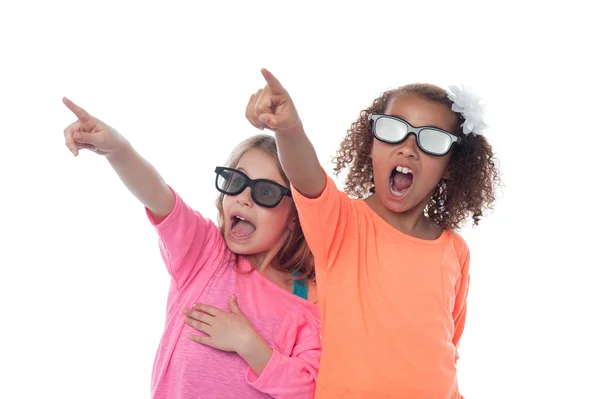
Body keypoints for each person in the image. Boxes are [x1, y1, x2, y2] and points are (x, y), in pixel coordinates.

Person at [245, 69, 500, 398]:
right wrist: (289, 129)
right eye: (394, 130)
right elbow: (304, 173)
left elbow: (448, 347)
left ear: (450, 166)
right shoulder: (340, 222)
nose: (408, 148)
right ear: (371, 145)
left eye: (432, 139)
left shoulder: (455, 250)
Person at [62, 97, 321, 399]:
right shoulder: (205, 253)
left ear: (293, 217)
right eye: (236, 182)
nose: (244, 198)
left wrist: (249, 344)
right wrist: (119, 151)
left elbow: (311, 389)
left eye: (264, 191)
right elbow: (157, 194)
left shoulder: (306, 303)